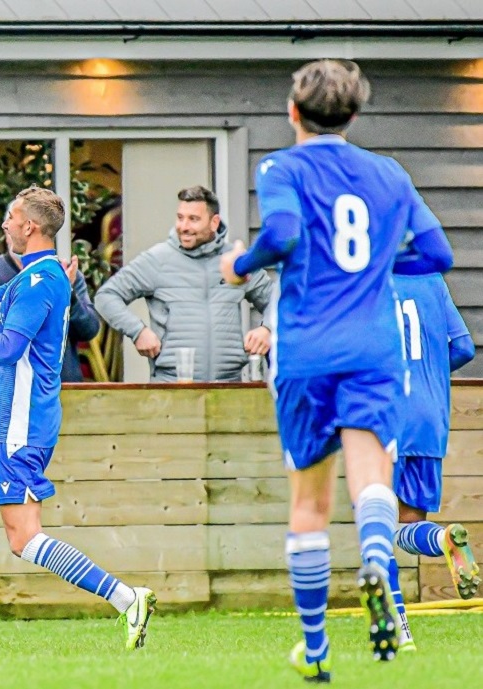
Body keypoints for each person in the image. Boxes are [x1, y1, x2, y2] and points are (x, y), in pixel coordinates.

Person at [219, 59, 454, 682]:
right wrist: (375, 266)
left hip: (307, 350)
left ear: (293, 112)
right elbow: (437, 253)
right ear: (354, 115)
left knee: (310, 501)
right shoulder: (388, 173)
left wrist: (242, 263)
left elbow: (286, 231)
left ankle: (317, 650)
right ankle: (377, 559)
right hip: (374, 352)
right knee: (373, 478)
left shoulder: (280, 167)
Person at [0, 186, 156, 655]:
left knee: (24, 539)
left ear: (30, 226)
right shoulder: (28, 277)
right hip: (5, 423)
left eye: (12, 218)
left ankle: (126, 597)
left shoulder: (42, 281)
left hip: (22, 425)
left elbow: (8, 347)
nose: (7, 226)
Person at [94, 186, 273, 382]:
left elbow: (280, 300)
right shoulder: (157, 259)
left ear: (214, 223)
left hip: (229, 386)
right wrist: (138, 331)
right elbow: (106, 297)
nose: (184, 226)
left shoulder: (235, 260)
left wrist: (267, 329)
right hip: (171, 385)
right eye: (180, 218)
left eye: (193, 219)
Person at [387, 272, 477, 652]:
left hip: (385, 418)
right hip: (429, 419)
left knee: (375, 530)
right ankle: (442, 539)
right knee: (407, 527)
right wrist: (430, 377)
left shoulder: (369, 278)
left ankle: (398, 631)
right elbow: (465, 347)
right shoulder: (433, 281)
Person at [0, 226, 99, 383]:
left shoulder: (67, 273)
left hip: (55, 387)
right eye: (20, 229)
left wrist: (68, 295)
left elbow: (89, 330)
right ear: (6, 233)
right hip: (2, 387)